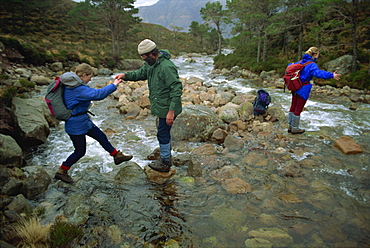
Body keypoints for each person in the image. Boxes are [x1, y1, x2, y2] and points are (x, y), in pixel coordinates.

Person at [54, 63, 133, 183]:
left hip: (83, 120)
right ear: (84, 75)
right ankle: (61, 171)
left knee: (101, 136)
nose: (90, 79)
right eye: (89, 77)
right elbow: (98, 95)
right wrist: (114, 84)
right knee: (80, 151)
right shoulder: (77, 88)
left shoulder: (72, 84)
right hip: (75, 124)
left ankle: (117, 156)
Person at [115, 39, 182, 172]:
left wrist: (171, 112)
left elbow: (176, 89)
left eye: (144, 56)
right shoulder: (151, 64)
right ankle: (166, 157)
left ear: (152, 53)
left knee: (162, 133)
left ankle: (165, 162)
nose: (143, 59)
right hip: (161, 106)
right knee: (163, 132)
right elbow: (140, 74)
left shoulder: (166, 67)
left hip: (167, 107)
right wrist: (125, 76)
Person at [288, 47, 341, 134]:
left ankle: (290, 127)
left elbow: (289, 66)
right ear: (315, 54)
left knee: (293, 106)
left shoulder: (300, 62)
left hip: (295, 87)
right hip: (303, 89)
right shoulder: (312, 64)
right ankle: (295, 128)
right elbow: (318, 73)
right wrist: (331, 75)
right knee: (298, 108)